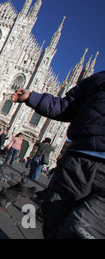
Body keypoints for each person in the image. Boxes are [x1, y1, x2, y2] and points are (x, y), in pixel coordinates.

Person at [11, 70, 104, 239]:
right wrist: (32, 97)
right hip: (78, 160)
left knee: (84, 231)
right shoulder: (100, 78)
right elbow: (67, 106)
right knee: (52, 217)